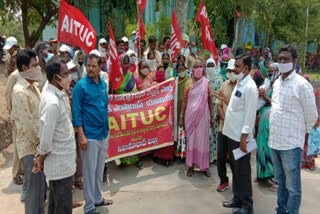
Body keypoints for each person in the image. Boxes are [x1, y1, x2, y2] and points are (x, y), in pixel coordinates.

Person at [269, 45, 318, 214]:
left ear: (294, 62)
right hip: (275, 141)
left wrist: (301, 133)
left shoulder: (302, 85)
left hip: (291, 144)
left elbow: (312, 115)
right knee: (280, 183)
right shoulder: (276, 83)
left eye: (286, 59)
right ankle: (281, 210)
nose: (282, 62)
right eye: (280, 58)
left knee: (293, 187)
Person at [32, 56, 77, 213]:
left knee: (55, 206)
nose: (68, 77)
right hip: (59, 165)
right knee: (62, 208)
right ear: (55, 77)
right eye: (65, 74)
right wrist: (41, 156)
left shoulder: (60, 93)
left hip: (64, 163)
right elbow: (45, 139)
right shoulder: (52, 103)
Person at [72, 53, 113, 214]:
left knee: (98, 170)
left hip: (103, 133)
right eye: (88, 65)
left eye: (93, 66)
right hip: (89, 135)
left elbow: (104, 106)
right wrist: (81, 135)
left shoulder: (103, 84)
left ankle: (97, 198)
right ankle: (89, 207)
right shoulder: (80, 87)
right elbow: (77, 113)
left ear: (100, 66)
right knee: (88, 173)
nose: (90, 69)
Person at [222, 54, 258, 214]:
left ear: (246, 68)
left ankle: (247, 206)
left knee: (243, 172)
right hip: (232, 135)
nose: (235, 69)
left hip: (240, 138)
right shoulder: (240, 83)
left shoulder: (250, 87)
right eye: (234, 66)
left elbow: (250, 115)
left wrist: (244, 138)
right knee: (235, 170)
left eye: (237, 66)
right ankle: (237, 198)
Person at [11, 49, 46, 214]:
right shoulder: (19, 91)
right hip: (31, 148)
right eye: (35, 65)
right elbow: (27, 124)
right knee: (33, 191)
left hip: (39, 147)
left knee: (40, 190)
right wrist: (40, 145)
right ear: (25, 68)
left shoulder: (33, 87)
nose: (38, 68)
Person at [179, 60, 214, 177]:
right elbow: (184, 101)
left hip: (203, 116)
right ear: (192, 69)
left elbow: (209, 99)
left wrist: (212, 116)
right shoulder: (188, 83)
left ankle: (204, 166)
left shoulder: (206, 82)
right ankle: (190, 165)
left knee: (203, 140)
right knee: (192, 140)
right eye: (196, 66)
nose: (199, 68)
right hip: (190, 116)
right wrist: (181, 117)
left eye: (201, 66)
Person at [255, 62, 280, 192]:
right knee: (261, 146)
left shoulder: (280, 86)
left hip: (273, 120)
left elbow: (277, 104)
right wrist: (260, 93)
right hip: (263, 118)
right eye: (269, 71)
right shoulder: (268, 83)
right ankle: (262, 174)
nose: (270, 73)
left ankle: (277, 179)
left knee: (271, 149)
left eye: (273, 71)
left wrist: (265, 97)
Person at [214, 59, 237, 192]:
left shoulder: (242, 86)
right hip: (223, 127)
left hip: (236, 128)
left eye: (233, 71)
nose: (230, 73)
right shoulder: (224, 84)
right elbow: (218, 104)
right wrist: (224, 118)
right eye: (228, 70)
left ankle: (237, 181)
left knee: (235, 158)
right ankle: (223, 180)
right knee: (221, 156)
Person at [4, 39, 23, 187]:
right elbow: (8, 96)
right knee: (17, 144)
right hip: (17, 115)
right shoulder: (14, 76)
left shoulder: (24, 72)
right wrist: (11, 114)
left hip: (26, 112)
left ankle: (22, 169)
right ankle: (16, 173)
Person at [206, 58, 223, 164]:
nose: (211, 68)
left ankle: (216, 157)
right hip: (206, 109)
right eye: (209, 66)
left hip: (216, 109)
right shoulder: (204, 79)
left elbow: (221, 95)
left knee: (216, 134)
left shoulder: (219, 78)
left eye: (213, 65)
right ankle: (208, 156)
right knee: (207, 134)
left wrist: (218, 111)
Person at [301, 75, 320, 170]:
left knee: (308, 141)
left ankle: (308, 161)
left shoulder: (314, 93)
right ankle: (307, 161)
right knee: (306, 141)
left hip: (311, 119)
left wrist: (317, 120)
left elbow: (317, 107)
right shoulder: (309, 92)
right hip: (305, 119)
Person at [174, 62, 189, 160]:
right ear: (177, 71)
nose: (182, 71)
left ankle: (186, 153)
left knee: (185, 131)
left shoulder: (189, 81)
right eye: (180, 70)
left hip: (186, 109)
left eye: (183, 69)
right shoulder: (174, 82)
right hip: (177, 109)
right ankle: (178, 153)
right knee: (178, 131)